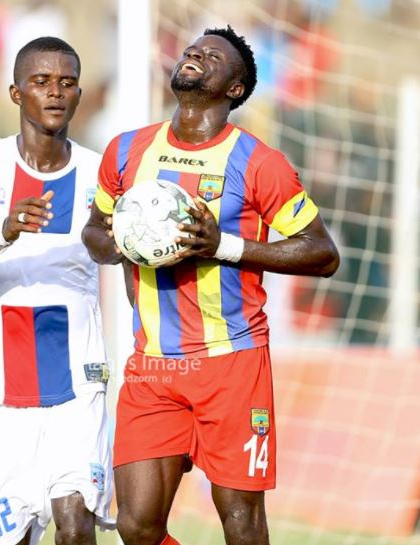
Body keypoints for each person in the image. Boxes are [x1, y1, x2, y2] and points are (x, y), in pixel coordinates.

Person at [82, 26, 340, 545]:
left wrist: (221, 245)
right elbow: (94, 228)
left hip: (232, 362)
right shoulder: (126, 150)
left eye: (214, 55)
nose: (196, 54)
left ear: (235, 89)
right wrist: (119, 243)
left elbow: (322, 251)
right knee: (135, 526)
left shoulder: (259, 163)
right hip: (153, 363)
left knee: (241, 525)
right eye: (194, 49)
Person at [0, 37, 114, 545]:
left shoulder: (101, 172)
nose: (55, 93)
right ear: (16, 93)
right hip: (1, 384)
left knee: (77, 524)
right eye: (41, 82)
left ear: (79, 94)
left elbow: (116, 251)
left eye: (67, 82)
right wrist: (2, 233)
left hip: (79, 376)